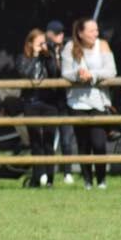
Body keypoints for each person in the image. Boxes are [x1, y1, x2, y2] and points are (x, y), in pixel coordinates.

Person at [61, 18, 116, 189]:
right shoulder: (70, 47)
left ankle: (101, 180)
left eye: (96, 30)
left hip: (98, 102)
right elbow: (66, 73)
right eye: (91, 31)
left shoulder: (103, 45)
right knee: (83, 143)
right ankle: (87, 181)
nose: (95, 34)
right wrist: (79, 75)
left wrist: (92, 74)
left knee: (99, 143)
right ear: (80, 33)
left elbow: (111, 71)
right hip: (77, 102)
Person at [17, 28, 61, 187]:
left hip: (49, 103)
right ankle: (37, 178)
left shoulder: (47, 58)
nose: (43, 46)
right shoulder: (22, 58)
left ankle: (50, 179)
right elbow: (26, 74)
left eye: (44, 43)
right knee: (36, 142)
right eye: (39, 43)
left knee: (49, 142)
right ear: (30, 43)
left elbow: (55, 73)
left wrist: (48, 56)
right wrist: (35, 56)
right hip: (31, 103)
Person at [45, 20, 76, 185]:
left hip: (65, 100)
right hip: (49, 100)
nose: (60, 36)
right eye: (57, 34)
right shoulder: (45, 52)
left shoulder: (68, 50)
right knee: (49, 139)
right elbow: (50, 71)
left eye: (61, 33)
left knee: (66, 138)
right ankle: (47, 174)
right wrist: (50, 53)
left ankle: (68, 171)